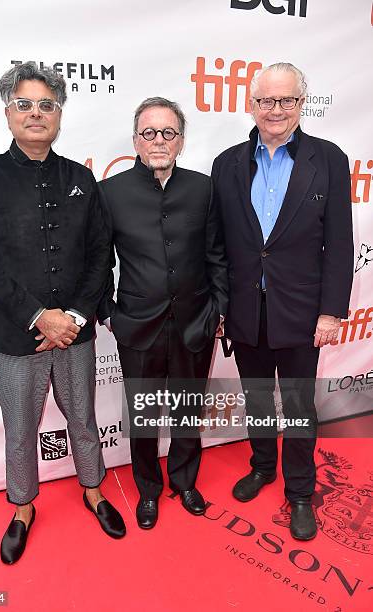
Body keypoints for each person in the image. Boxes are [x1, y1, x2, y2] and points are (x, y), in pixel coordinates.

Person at [0, 62, 126, 564]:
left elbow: (101, 252)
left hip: (76, 332)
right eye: (25, 105)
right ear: (9, 114)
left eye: (46, 105)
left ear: (60, 114)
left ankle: (94, 490)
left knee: (83, 417)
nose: (36, 114)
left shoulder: (80, 178)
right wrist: (39, 316)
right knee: (19, 428)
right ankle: (22, 506)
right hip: (17, 335)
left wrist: (74, 316)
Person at [212, 63, 353, 540]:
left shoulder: (329, 159)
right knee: (255, 399)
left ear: (301, 103)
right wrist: (220, 308)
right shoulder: (227, 163)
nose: (275, 110)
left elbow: (339, 241)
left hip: (302, 310)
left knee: (297, 405)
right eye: (266, 101)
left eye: (286, 100)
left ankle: (299, 491)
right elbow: (219, 245)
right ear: (251, 105)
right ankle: (261, 467)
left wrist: (332, 311)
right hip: (245, 308)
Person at [98, 97, 228, 529]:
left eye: (168, 132)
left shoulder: (203, 188)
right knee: (144, 415)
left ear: (181, 141)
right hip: (137, 324)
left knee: (187, 409)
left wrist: (218, 309)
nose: (159, 140)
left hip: (196, 322)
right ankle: (148, 491)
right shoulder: (111, 192)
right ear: (136, 140)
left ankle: (185, 481)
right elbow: (98, 260)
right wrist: (109, 313)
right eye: (150, 132)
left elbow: (217, 255)